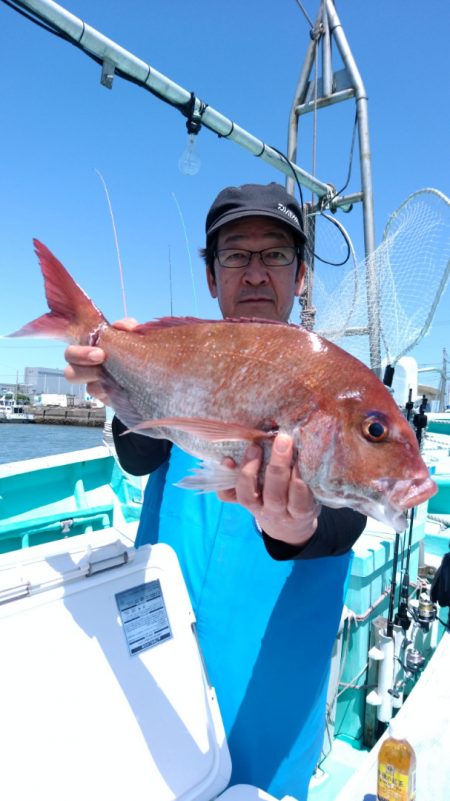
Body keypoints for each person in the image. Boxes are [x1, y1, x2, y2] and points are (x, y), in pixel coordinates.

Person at [65, 182, 366, 800]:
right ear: (211, 276)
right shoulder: (183, 361)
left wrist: (297, 527)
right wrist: (116, 382)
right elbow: (138, 452)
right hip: (160, 675)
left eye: (275, 254)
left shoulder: (339, 387)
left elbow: (354, 513)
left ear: (301, 274)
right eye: (235, 255)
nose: (255, 273)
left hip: (268, 707)